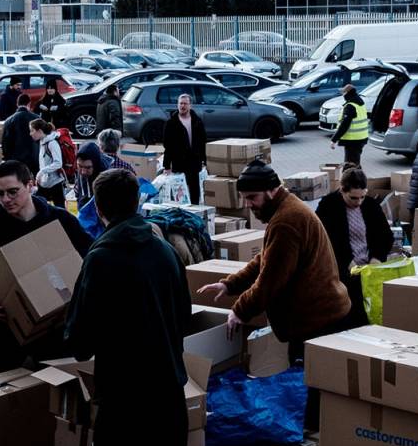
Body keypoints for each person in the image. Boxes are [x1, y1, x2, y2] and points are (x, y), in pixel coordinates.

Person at [66, 168, 192, 446]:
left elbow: (79, 341)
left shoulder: (101, 257)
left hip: (124, 406)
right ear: (137, 203)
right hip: (169, 402)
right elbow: (183, 317)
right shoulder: (166, 252)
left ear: (100, 210)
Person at [195, 161, 352, 363]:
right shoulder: (286, 209)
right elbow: (266, 258)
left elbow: (270, 281)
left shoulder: (286, 221)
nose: (248, 205)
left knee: (317, 389)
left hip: (318, 323)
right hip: (321, 317)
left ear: (271, 191)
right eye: (244, 199)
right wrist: (230, 284)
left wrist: (240, 310)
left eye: (252, 198)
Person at [0, 161, 93, 372]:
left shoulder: (60, 219)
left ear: (30, 185)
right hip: (9, 324)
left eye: (13, 192)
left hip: (57, 325)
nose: (6, 199)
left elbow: (90, 256)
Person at [315, 166, 395, 324]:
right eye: (353, 198)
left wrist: (376, 257)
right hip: (341, 274)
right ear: (342, 191)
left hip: (368, 271)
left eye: (362, 197)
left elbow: (385, 236)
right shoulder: (328, 206)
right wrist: (346, 261)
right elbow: (324, 240)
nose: (358, 202)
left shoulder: (370, 205)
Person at [160, 93, 207, 205]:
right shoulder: (171, 123)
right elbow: (168, 146)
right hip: (179, 163)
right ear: (177, 105)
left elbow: (202, 142)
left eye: (185, 103)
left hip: (194, 162)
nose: (182, 106)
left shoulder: (197, 121)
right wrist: (166, 166)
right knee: (180, 193)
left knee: (195, 190)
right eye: (180, 103)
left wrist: (204, 160)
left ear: (190, 105)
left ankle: (195, 210)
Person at [331, 84, 370, 166]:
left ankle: (354, 178)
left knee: (350, 165)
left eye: (344, 93)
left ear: (348, 93)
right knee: (355, 162)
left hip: (353, 140)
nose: (343, 95)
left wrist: (334, 139)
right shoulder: (359, 102)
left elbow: (344, 125)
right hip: (361, 138)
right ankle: (358, 177)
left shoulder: (350, 106)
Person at [31, 118, 68, 206]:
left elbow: (58, 163)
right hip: (45, 182)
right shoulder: (42, 142)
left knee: (59, 209)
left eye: (32, 131)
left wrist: (42, 172)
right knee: (39, 207)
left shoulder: (52, 143)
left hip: (55, 183)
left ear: (39, 131)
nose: (30, 133)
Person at [1, 94, 38, 169]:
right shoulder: (36, 118)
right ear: (29, 104)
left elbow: (5, 142)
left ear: (17, 104)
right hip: (33, 158)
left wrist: (7, 158)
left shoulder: (8, 120)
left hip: (15, 159)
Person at [72, 141, 112, 207]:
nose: (83, 172)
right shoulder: (83, 170)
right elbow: (78, 190)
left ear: (96, 164)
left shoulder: (107, 175)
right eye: (80, 166)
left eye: (88, 167)